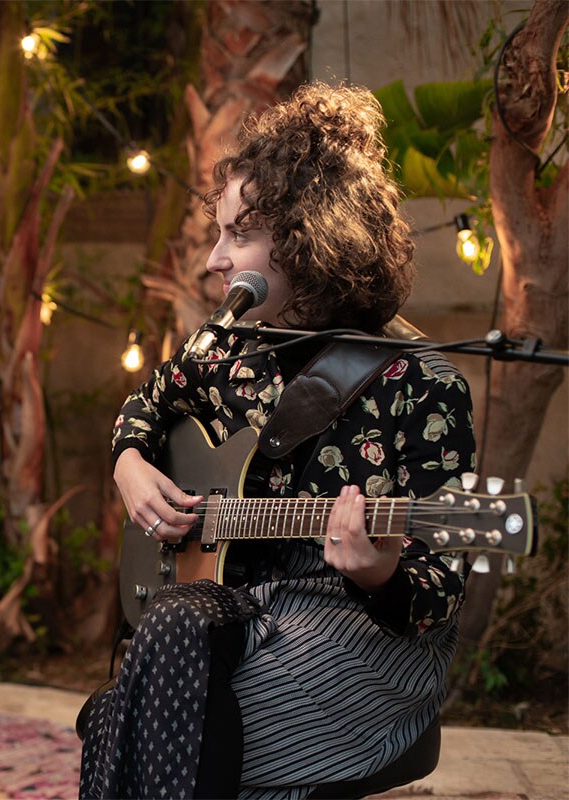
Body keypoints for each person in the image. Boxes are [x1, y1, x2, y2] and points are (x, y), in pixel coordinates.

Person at [79, 82, 476, 799]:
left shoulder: (422, 383)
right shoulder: (227, 350)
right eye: (218, 234)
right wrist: (130, 463)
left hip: (356, 628)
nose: (214, 260)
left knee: (142, 724)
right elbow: (147, 403)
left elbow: (436, 593)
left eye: (239, 236)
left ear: (309, 240)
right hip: (236, 603)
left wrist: (378, 573)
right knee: (157, 689)